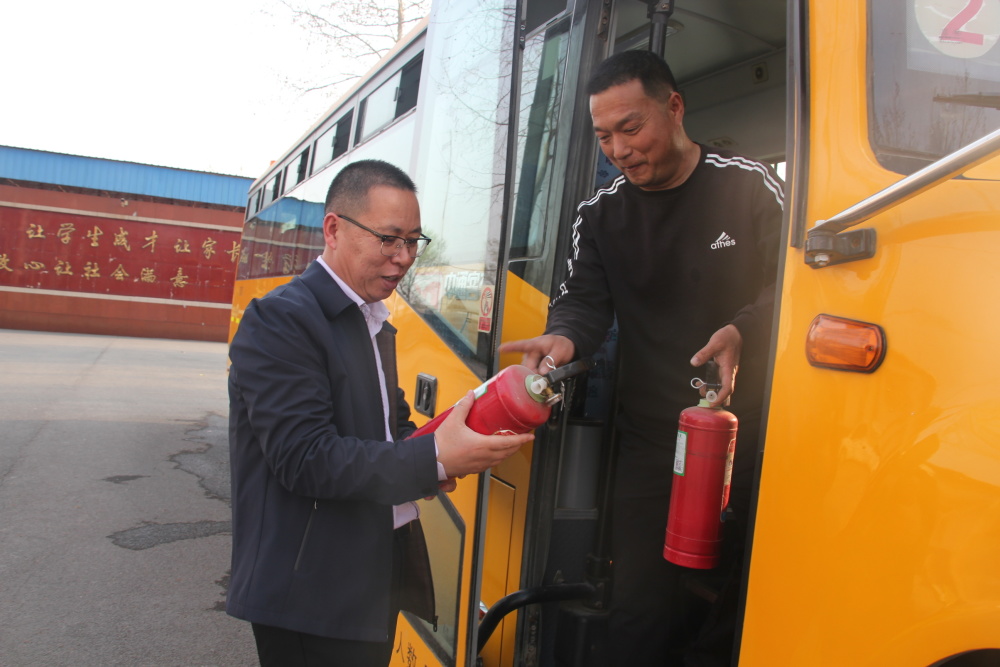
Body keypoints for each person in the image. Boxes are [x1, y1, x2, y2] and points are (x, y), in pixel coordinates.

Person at [500, 51, 783, 666]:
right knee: (639, 606)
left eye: (631, 128)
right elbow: (582, 301)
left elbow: (794, 283)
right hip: (657, 440)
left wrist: (744, 330)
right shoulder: (601, 214)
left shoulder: (749, 185)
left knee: (748, 599)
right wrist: (563, 338)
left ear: (674, 107)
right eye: (604, 136)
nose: (619, 149)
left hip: (761, 435)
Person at [227, 159, 534, 667]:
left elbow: (388, 430)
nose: (403, 258)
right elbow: (305, 459)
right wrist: (432, 459)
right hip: (310, 594)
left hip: (368, 577)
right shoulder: (282, 319)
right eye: (388, 239)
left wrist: (451, 444)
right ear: (334, 229)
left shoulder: (372, 321)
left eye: (414, 241)